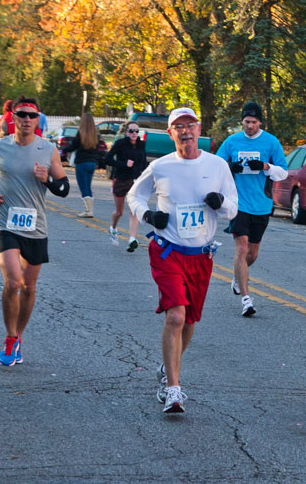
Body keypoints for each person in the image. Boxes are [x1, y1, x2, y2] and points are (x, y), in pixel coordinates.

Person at [127, 107, 237, 413]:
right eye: (178, 127)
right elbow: (134, 196)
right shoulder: (161, 167)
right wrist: (147, 214)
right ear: (171, 133)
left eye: (189, 125)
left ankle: (168, 366)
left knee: (189, 320)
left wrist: (221, 203)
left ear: (199, 129)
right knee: (175, 315)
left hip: (201, 256)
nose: (185, 131)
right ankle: (173, 389)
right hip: (168, 251)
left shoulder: (217, 166)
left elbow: (233, 209)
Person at [0, 96, 69, 367]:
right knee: (13, 282)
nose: (27, 119)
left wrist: (47, 180)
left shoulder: (47, 149)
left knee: (29, 287)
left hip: (35, 227)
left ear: (37, 120)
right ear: (12, 118)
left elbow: (64, 188)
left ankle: (19, 337)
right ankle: (9, 336)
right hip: (4, 223)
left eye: (31, 115)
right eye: (21, 115)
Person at [216, 102, 288, 317]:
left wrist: (265, 167)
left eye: (254, 122)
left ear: (260, 123)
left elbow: (283, 172)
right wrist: (230, 167)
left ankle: (239, 275)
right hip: (238, 203)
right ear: (242, 122)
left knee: (252, 253)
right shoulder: (232, 142)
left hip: (262, 204)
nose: (250, 126)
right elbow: (215, 166)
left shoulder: (271, 142)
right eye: (247, 122)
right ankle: (247, 299)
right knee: (240, 248)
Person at [104, 121, 147, 251]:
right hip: (121, 180)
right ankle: (113, 227)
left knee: (133, 210)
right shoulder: (120, 144)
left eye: (136, 131)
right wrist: (123, 164)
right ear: (126, 132)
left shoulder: (141, 145)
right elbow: (107, 159)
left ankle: (132, 238)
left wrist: (145, 176)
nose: (134, 134)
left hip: (135, 181)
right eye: (131, 131)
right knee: (119, 212)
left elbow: (144, 162)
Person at [63, 113, 103, 218]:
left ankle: (87, 211)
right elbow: (97, 149)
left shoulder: (80, 134)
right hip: (92, 163)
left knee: (83, 187)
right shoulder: (96, 135)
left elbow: (72, 147)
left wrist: (64, 150)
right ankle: (90, 210)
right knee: (88, 186)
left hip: (81, 163)